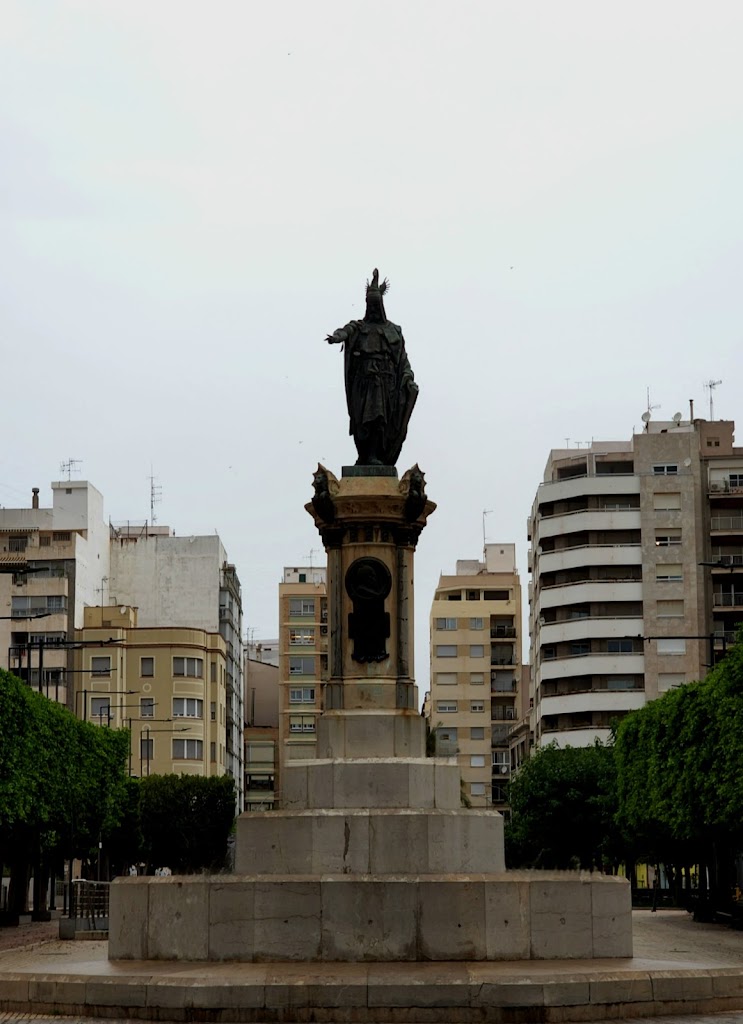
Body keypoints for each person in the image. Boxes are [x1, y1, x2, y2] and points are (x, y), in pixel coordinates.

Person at [327, 270, 418, 466]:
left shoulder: (393, 330)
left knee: (380, 418)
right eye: (371, 304)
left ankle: (374, 456)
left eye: (377, 304)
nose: (374, 308)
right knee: (363, 419)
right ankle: (365, 455)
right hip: (363, 380)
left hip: (386, 383)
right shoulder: (359, 327)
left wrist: (408, 377)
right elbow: (345, 331)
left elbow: (402, 358)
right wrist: (336, 338)